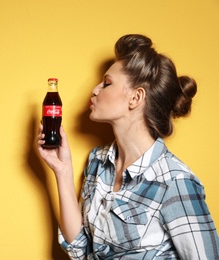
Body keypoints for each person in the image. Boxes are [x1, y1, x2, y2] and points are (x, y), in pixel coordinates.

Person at [37, 34, 219, 259]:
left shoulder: (175, 182)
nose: (94, 90)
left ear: (136, 97)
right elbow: (81, 249)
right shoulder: (98, 162)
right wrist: (62, 171)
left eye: (107, 83)